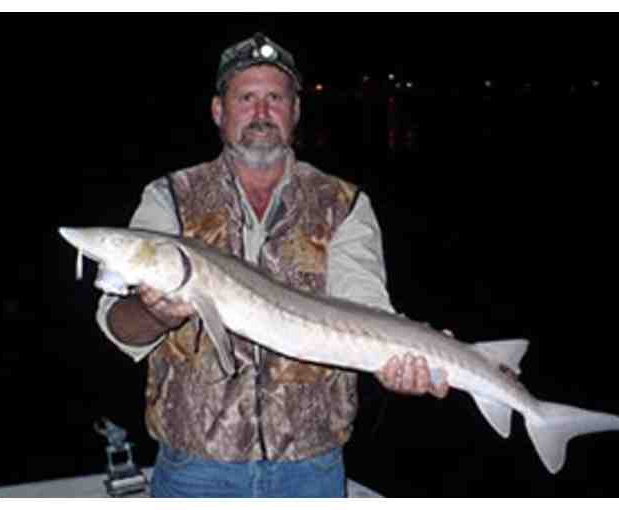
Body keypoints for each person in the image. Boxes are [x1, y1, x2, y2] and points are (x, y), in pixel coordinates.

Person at [96, 33, 449, 498]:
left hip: (311, 466)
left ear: (295, 112)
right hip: (195, 466)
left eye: (275, 99)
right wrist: (155, 314)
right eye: (246, 98)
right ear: (218, 111)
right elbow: (118, 323)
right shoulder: (171, 198)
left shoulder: (343, 205)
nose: (261, 113)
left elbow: (365, 308)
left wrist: (399, 364)